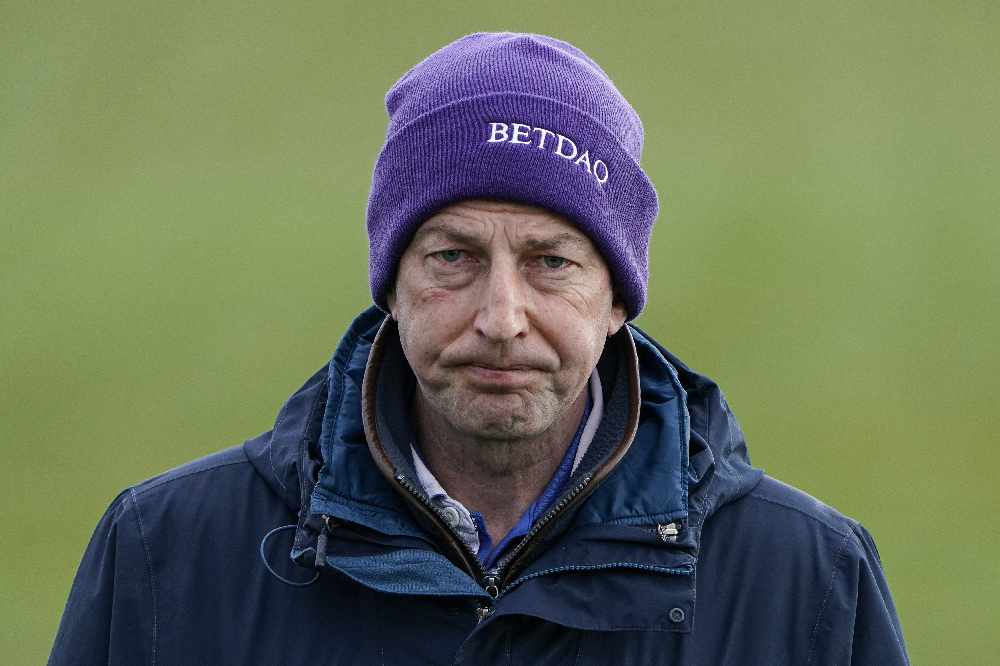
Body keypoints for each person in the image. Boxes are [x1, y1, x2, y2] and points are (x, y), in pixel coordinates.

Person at [49, 32, 909, 665]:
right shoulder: (164, 555)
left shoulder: (809, 580)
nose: (502, 316)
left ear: (617, 298)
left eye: (552, 263)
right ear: (391, 283)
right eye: (453, 257)